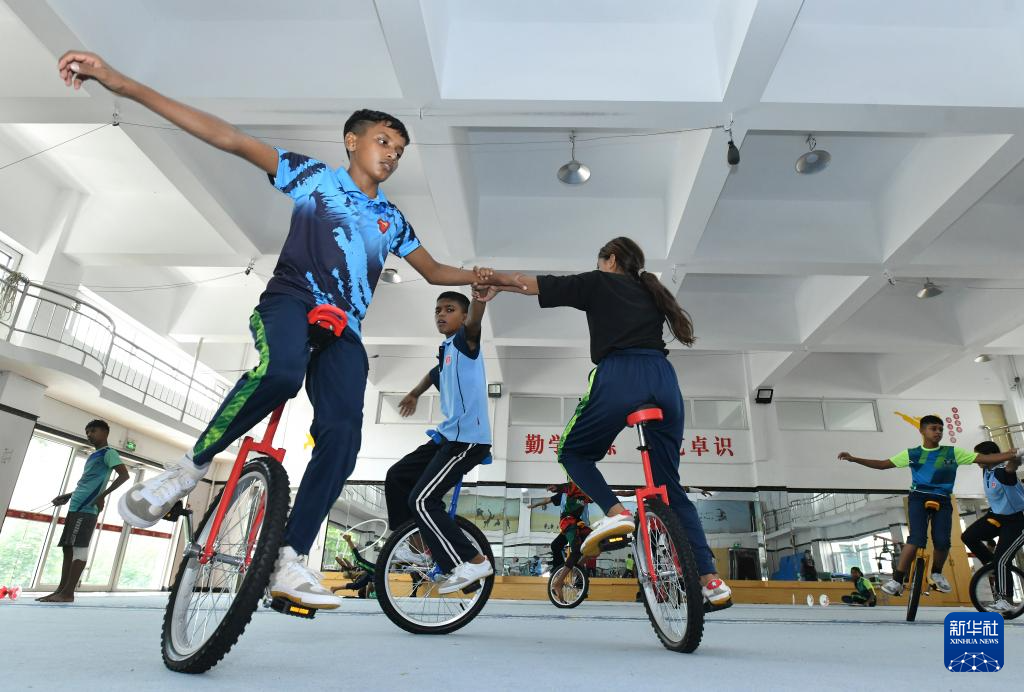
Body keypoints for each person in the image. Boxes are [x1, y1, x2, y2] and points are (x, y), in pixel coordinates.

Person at [57, 52, 502, 610]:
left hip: (346, 330)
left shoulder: (392, 219)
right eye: (384, 141)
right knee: (283, 372)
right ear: (352, 141)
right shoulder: (314, 178)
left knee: (344, 437)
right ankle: (188, 468)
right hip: (291, 301)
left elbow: (434, 272)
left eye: (400, 150)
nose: (392, 154)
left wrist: (493, 278)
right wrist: (120, 83)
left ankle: (289, 559)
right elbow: (230, 139)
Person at [477, 237, 732, 607]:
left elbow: (530, 284)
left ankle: (617, 513)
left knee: (572, 453)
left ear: (610, 260)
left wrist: (496, 282)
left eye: (600, 262)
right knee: (669, 488)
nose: (598, 268)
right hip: (663, 379)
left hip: (620, 376)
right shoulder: (651, 290)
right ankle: (711, 580)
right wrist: (501, 286)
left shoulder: (600, 281)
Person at [383, 289, 496, 594]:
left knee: (422, 500)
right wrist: (414, 393)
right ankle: (417, 547)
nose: (441, 315)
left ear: (463, 317)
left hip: (468, 440)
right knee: (397, 476)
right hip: (447, 436)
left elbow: (475, 323)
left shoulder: (465, 342)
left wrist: (480, 299)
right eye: (437, 310)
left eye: (449, 309)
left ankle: (474, 561)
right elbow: (434, 374)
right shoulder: (447, 351)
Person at [838, 416, 1019, 596]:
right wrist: (854, 459)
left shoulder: (952, 452)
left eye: (941, 429)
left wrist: (1011, 454)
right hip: (918, 497)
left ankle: (937, 573)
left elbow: (985, 458)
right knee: (916, 539)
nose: (938, 432)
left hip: (943, 499)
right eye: (933, 428)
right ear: (922, 431)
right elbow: (882, 464)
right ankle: (897, 580)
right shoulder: (913, 454)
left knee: (943, 541)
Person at [37, 420, 129, 603]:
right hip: (75, 506)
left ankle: (68, 593)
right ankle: (60, 590)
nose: (89, 435)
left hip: (87, 508)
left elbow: (124, 475)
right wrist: (68, 496)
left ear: (105, 433)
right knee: (68, 548)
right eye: (87, 432)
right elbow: (86, 483)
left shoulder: (109, 453)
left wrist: (102, 496)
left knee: (79, 548)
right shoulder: (93, 456)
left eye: (93, 431)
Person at [961, 441, 1024, 613]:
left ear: (990, 456)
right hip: (996, 516)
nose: (977, 460)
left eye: (979, 456)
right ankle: (992, 566)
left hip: (1017, 521)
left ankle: (1006, 600)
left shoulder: (1002, 472)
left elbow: (1011, 467)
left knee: (1002, 560)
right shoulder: (986, 469)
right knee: (968, 536)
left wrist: (1016, 457)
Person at [331, 534, 375, 599]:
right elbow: (369, 586)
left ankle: (335, 588)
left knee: (356, 586)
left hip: (371, 575)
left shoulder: (355, 573)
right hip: (376, 571)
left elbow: (369, 585)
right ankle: (349, 541)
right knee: (358, 561)